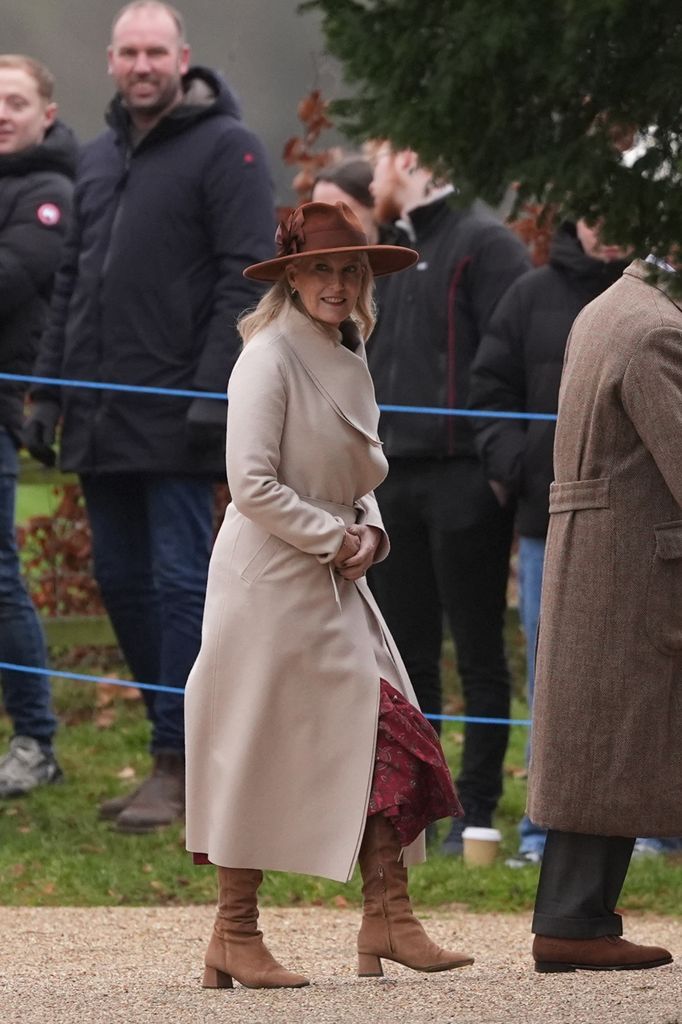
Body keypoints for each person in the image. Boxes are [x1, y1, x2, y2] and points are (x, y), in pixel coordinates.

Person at [184, 201, 475, 989]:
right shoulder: (268, 356)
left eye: (351, 270)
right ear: (290, 277)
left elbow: (357, 476)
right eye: (320, 268)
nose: (338, 284)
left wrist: (370, 531)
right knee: (252, 746)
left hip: (334, 573)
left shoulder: (347, 350)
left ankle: (389, 916)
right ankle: (235, 935)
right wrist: (337, 538)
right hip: (269, 580)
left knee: (386, 730)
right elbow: (251, 484)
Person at [24, 1, 275, 833]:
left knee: (179, 586)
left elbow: (245, 278)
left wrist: (214, 394)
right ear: (110, 61)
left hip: (177, 415)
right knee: (123, 584)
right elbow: (72, 288)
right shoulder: (96, 162)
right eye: (128, 52)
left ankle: (184, 760)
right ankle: (164, 752)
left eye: (155, 51)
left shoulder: (225, 149)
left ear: (183, 58)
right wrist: (48, 391)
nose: (141, 65)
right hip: (99, 419)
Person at [366, 142, 532, 853]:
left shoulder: (485, 243)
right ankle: (420, 813)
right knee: (406, 657)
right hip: (395, 475)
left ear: (406, 159)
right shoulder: (392, 251)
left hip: (465, 477)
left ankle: (479, 812)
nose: (371, 178)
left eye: (376, 162)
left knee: (478, 651)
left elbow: (510, 358)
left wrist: (498, 463)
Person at [526, 254, 682, 972]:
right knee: (613, 745)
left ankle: (575, 918)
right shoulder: (655, 330)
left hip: (602, 557)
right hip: (636, 567)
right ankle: (573, 921)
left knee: (604, 749)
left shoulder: (609, 307)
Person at [468, 219, 631, 865]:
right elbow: (489, 388)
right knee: (552, 678)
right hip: (547, 523)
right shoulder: (530, 294)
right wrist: (521, 467)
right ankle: (543, 835)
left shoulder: (657, 297)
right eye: (597, 210)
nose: (608, 226)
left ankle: (645, 828)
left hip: (641, 526)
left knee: (638, 681)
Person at [0, 55, 77, 797]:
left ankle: (36, 740)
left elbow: (9, 280)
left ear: (45, 113)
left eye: (15, 101)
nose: (1, 113)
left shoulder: (50, 192)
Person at [312, 156, 379, 242]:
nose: (330, 226)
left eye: (344, 213)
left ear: (374, 209)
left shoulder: (400, 252)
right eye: (320, 216)